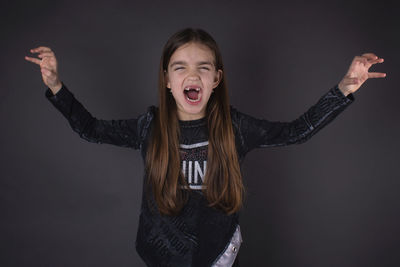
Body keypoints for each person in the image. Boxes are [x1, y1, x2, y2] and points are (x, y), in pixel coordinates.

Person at [25, 28, 386, 267]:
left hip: (218, 256)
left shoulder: (235, 127)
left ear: (216, 79)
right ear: (167, 80)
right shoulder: (150, 126)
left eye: (203, 67)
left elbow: (296, 132)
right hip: (163, 256)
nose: (192, 75)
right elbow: (90, 129)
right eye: (180, 68)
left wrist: (344, 88)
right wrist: (57, 85)